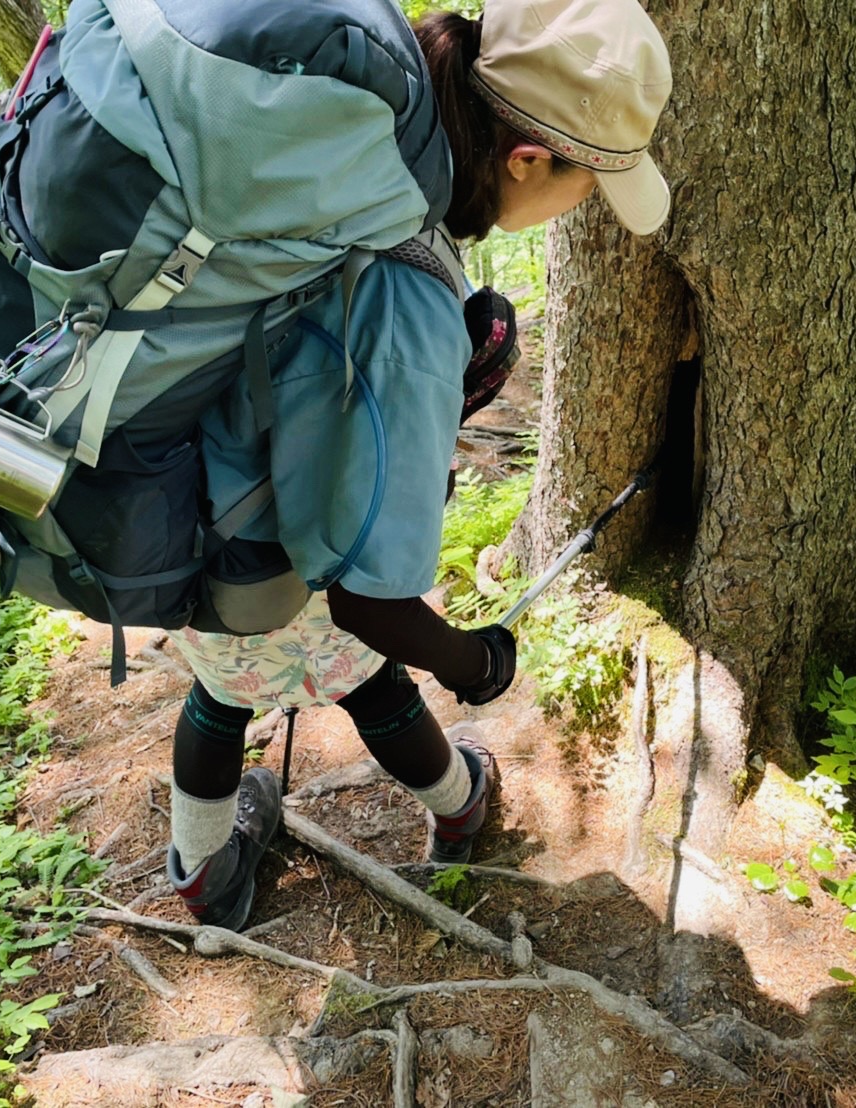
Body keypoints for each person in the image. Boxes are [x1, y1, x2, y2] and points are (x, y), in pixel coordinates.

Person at [162, 0, 674, 932]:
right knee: (371, 677)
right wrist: (475, 663)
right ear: (527, 160)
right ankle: (459, 800)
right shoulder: (405, 284)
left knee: (218, 695)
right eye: (589, 183)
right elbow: (370, 602)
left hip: (178, 517)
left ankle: (201, 874)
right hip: (277, 566)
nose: (583, 203)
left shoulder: (337, 172)